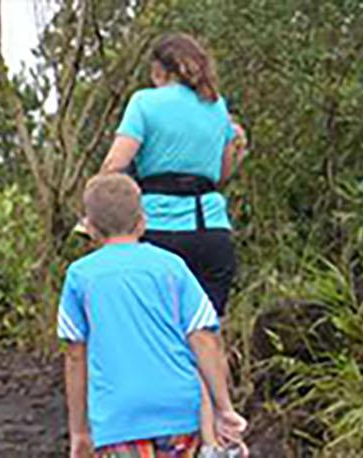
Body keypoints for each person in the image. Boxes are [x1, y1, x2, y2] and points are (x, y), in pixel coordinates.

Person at [61, 174, 246, 458]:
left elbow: (75, 355)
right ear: (142, 222)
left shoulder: (80, 277)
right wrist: (224, 408)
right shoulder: (173, 268)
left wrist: (80, 432)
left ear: (91, 229)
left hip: (118, 420)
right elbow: (205, 339)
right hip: (180, 415)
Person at [98, 33, 250, 318]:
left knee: (153, 333)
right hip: (211, 234)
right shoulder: (217, 107)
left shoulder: (144, 102)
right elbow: (221, 175)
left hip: (157, 232)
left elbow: (114, 165)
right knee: (205, 334)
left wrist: (95, 213)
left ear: (159, 70)